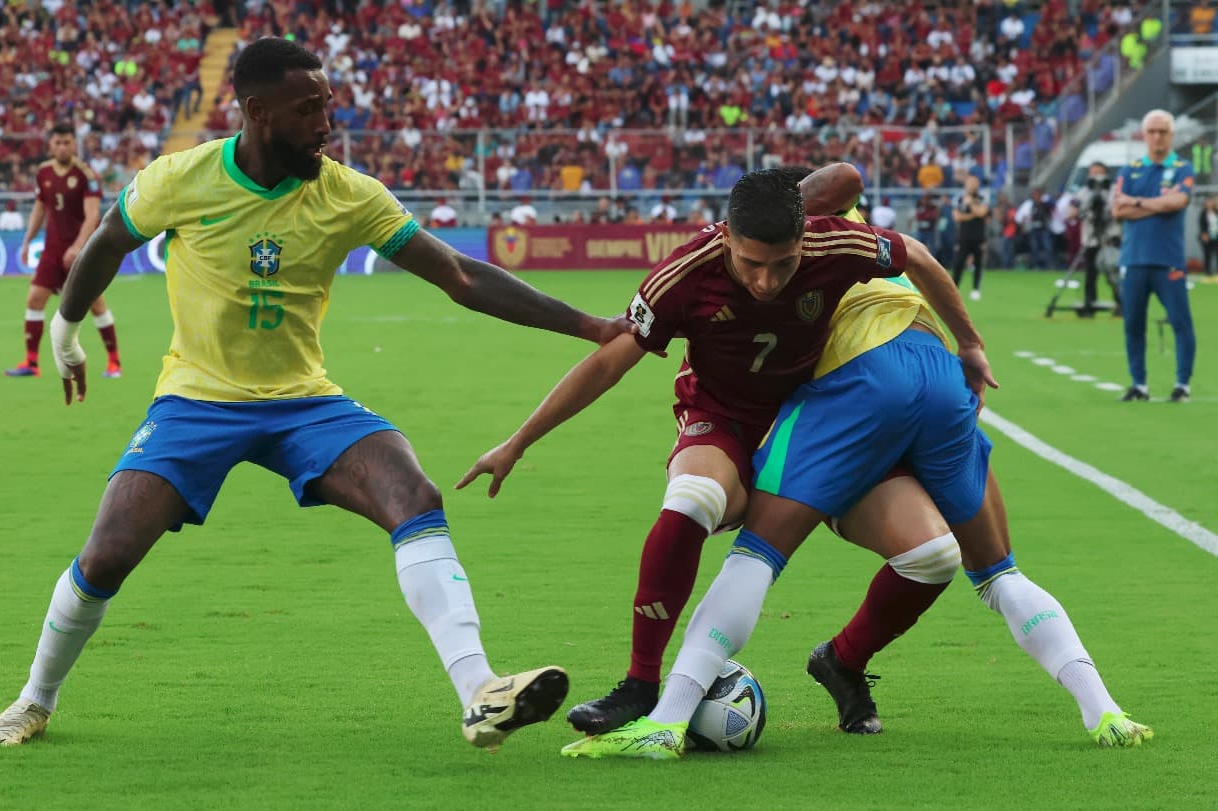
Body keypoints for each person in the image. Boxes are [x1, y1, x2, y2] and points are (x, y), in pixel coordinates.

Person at [0, 38, 631, 750]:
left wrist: (591, 325)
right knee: (105, 555)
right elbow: (107, 240)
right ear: (257, 113)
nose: (326, 124)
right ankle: (34, 701)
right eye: (308, 109)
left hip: (305, 401)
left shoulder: (347, 193)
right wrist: (66, 328)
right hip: (198, 400)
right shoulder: (180, 178)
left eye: (327, 106)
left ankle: (480, 690)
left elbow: (460, 276)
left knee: (415, 495)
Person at [554, 200, 1153, 758]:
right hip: (935, 373)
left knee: (780, 552)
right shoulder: (837, 241)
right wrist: (970, 345)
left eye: (779, 259)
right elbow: (896, 233)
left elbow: (843, 183)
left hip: (864, 385)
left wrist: (752, 219)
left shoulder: (821, 236)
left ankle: (673, 719)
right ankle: (1104, 712)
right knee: (993, 569)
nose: (768, 277)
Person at [458, 166, 992, 737]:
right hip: (723, 421)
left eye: (782, 265)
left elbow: (919, 257)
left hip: (817, 424)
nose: (765, 281)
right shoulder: (684, 274)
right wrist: (519, 442)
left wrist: (970, 343)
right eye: (750, 264)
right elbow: (609, 361)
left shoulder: (835, 242)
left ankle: (843, 661)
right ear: (727, 238)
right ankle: (640, 685)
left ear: (802, 239)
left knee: (933, 557)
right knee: (693, 497)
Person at [6, 123, 122, 380]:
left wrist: (78, 247)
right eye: (57, 143)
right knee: (34, 299)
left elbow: (92, 216)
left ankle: (114, 362)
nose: (62, 147)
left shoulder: (86, 175)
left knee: (95, 303)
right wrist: (27, 240)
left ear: (74, 144)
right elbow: (40, 209)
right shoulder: (43, 172)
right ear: (50, 145)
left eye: (67, 142)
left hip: (81, 252)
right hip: (51, 250)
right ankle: (31, 362)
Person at [1111, 109, 1195, 403]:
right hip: (1133, 259)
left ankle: (1182, 384)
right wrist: (1159, 203)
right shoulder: (1129, 169)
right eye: (1152, 132)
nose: (1157, 137)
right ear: (1144, 135)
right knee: (1133, 324)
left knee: (1181, 322)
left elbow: (1179, 200)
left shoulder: (1183, 167)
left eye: (1163, 132)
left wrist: (1136, 202)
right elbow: (1117, 210)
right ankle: (1139, 385)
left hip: (1168, 260)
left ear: (1171, 135)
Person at [1072, 162, 1123, 316]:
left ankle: (1121, 303)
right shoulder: (1083, 192)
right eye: (1093, 173)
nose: (1096, 177)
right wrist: (1085, 210)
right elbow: (1073, 211)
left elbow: (1119, 211)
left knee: (1113, 272)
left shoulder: (1114, 191)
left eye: (1099, 173)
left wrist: (1109, 213)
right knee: (1090, 273)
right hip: (1091, 237)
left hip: (1110, 236)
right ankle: (1090, 303)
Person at [950, 173, 989, 300]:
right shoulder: (959, 199)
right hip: (964, 236)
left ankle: (976, 289)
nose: (972, 185)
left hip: (979, 236)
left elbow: (982, 212)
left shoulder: (982, 198)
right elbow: (956, 217)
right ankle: (953, 289)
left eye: (974, 182)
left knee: (978, 262)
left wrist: (971, 204)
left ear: (978, 184)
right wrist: (973, 215)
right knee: (959, 262)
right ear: (966, 184)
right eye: (970, 183)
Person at [1198, 196, 1218, 276]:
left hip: (1216, 236)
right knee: (1207, 254)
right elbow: (1202, 225)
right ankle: (1207, 272)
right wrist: (1204, 234)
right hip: (1207, 236)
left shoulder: (1216, 212)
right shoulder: (1203, 213)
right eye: (1208, 202)